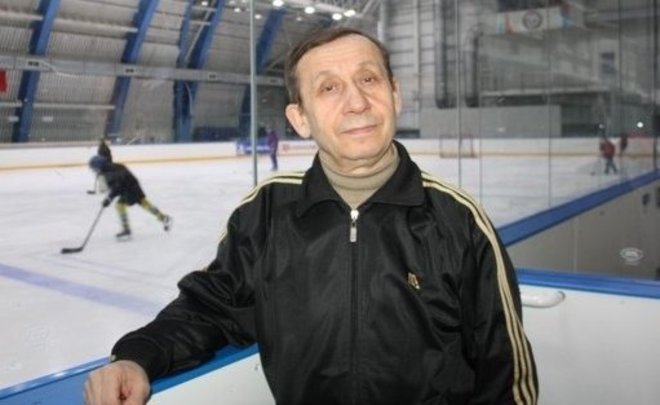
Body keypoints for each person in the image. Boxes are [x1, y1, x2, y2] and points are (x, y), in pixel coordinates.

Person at [84, 28, 537, 405]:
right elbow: (210, 308)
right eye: (328, 88)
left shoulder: (458, 221)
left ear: (395, 94)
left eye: (369, 79)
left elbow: (507, 378)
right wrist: (137, 357)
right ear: (300, 118)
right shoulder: (265, 214)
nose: (357, 101)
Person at [88, 154, 172, 239]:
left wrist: (109, 198)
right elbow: (116, 186)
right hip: (131, 188)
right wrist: (109, 198)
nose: (95, 170)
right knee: (144, 203)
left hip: (130, 189)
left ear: (100, 165)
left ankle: (126, 229)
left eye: (95, 168)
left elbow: (117, 186)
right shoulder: (110, 169)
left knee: (120, 205)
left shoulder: (111, 171)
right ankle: (164, 218)